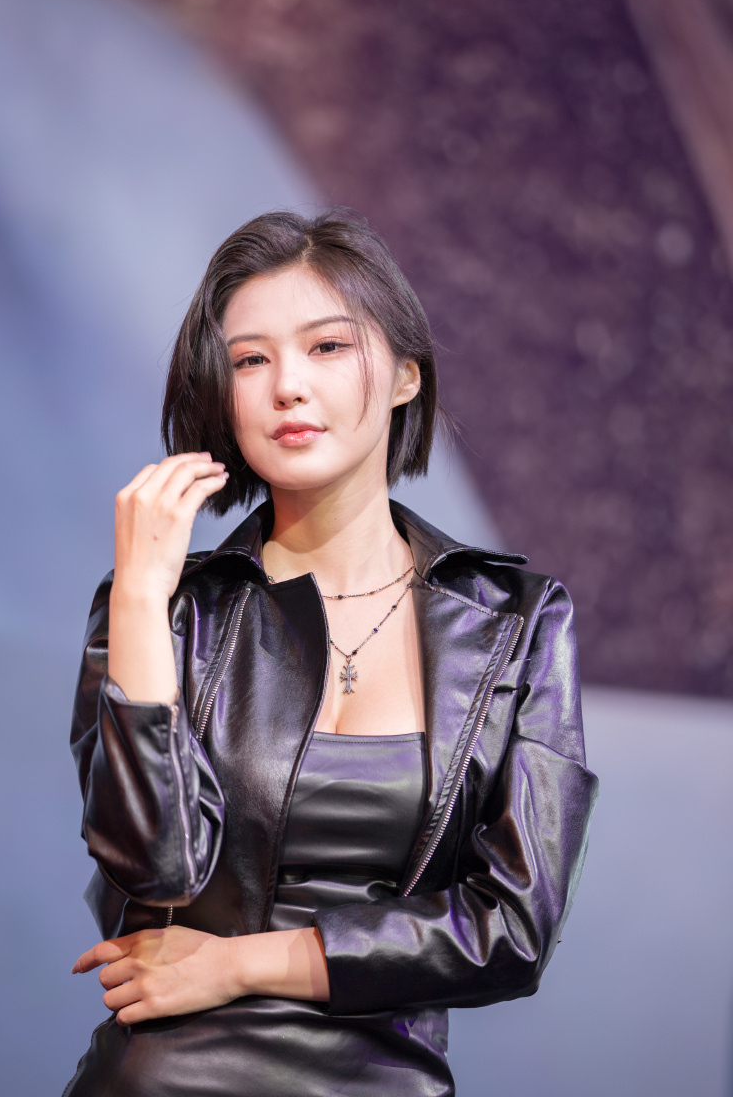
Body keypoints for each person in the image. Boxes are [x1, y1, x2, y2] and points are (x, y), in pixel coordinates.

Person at [64, 209, 598, 1097]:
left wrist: (238, 965)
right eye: (250, 360)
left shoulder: (518, 622)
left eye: (327, 347)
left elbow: (512, 931)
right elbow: (156, 873)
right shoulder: (168, 607)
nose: (287, 387)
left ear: (404, 375)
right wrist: (140, 600)